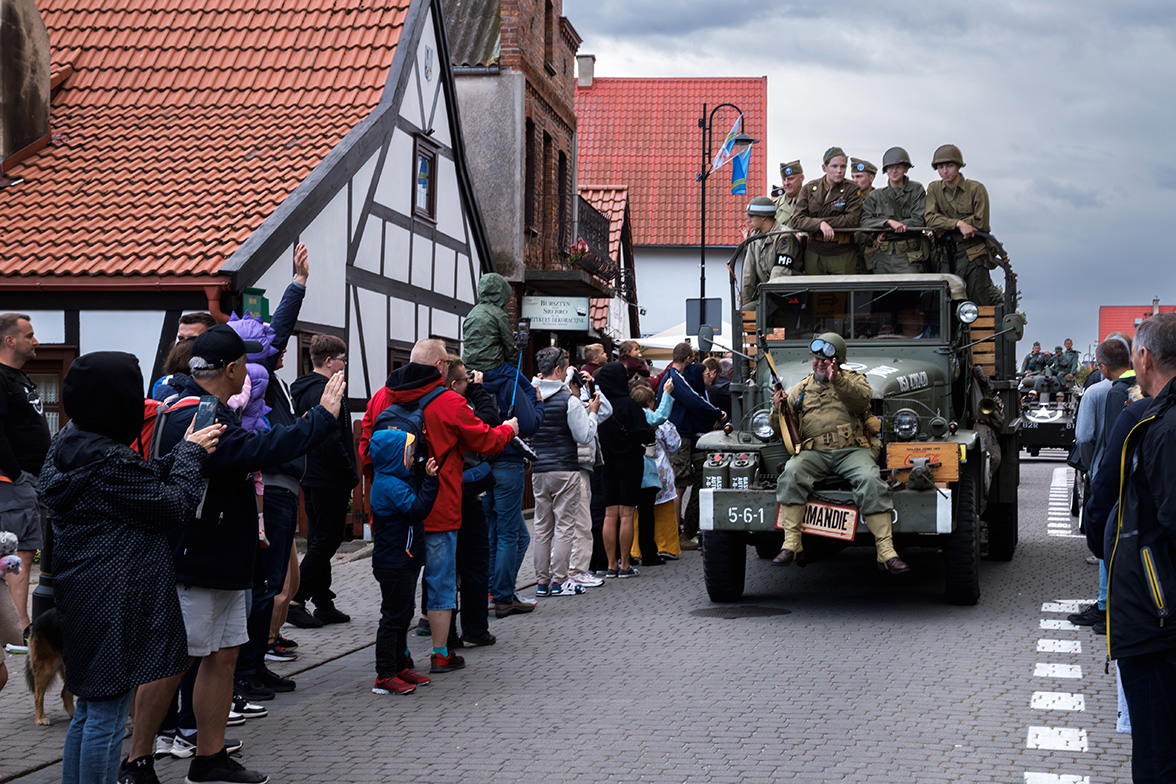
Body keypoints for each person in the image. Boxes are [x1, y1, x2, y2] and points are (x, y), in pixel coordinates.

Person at [122, 323, 344, 784]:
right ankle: (138, 761)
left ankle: (210, 756)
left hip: (219, 557)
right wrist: (322, 417)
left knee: (222, 657)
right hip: (195, 558)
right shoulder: (197, 414)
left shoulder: (205, 407)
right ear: (232, 368)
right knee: (174, 660)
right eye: (247, 362)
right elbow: (260, 449)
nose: (252, 368)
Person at [38, 352, 221, 784]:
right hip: (115, 596)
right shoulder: (110, 461)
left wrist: (180, 452)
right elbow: (173, 507)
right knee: (107, 715)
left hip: (81, 591)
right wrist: (191, 457)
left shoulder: (68, 442)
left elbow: (136, 483)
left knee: (89, 708)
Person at [358, 339, 517, 667]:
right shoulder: (449, 401)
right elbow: (485, 441)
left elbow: (365, 450)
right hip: (439, 506)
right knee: (440, 580)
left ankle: (400, 653)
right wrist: (508, 430)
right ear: (442, 366)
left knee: (401, 585)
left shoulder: (381, 397)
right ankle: (440, 653)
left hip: (394, 511)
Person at [1103, 312, 1176, 782]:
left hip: (1158, 623)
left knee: (1157, 759)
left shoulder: (1163, 427)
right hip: (1157, 616)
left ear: (1144, 357)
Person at [770, 332, 910, 574]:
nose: (819, 363)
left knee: (870, 480)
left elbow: (862, 401)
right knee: (791, 473)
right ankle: (791, 544)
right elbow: (780, 427)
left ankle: (886, 551)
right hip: (815, 453)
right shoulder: (801, 388)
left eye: (825, 360)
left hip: (851, 451)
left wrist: (838, 381)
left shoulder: (853, 380)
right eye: (816, 359)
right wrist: (777, 410)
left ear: (838, 361)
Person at [288, 334, 359, 630]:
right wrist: (349, 471)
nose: (345, 365)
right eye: (343, 360)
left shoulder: (305, 389)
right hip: (329, 475)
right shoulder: (325, 391)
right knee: (326, 541)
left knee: (318, 538)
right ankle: (295, 600)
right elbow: (331, 437)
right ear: (329, 361)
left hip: (312, 473)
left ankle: (323, 602)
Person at [1069, 335, 1135, 634]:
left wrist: (1089, 466)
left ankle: (1106, 603)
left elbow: (1084, 437)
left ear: (1102, 366)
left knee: (1106, 537)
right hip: (1133, 477)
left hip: (1103, 472)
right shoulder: (1143, 388)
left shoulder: (1097, 391)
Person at [368, 423, 439, 695]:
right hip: (394, 563)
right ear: (393, 457)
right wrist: (430, 480)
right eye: (407, 453)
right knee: (393, 618)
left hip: (402, 560)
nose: (411, 458)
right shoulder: (390, 485)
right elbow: (417, 509)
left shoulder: (394, 481)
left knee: (404, 614)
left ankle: (398, 667)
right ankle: (385, 674)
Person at [531, 348, 603, 597]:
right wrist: (593, 413)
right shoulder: (568, 400)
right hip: (565, 467)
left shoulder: (531, 395)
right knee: (564, 526)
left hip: (539, 469)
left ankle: (542, 582)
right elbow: (584, 435)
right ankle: (560, 581)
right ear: (559, 369)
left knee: (542, 528)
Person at [0, 313, 50, 637]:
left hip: (30, 478)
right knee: (17, 552)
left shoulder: (19, 378)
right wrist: (17, 474)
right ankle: (17, 628)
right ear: (10, 340)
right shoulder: (0, 379)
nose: (36, 342)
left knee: (25, 551)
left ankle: (20, 625)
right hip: (13, 481)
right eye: (29, 335)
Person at [655, 343, 722, 551]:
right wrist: (717, 413)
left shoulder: (670, 375)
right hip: (678, 435)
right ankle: (676, 534)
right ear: (689, 359)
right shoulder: (676, 378)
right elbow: (694, 401)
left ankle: (675, 532)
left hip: (675, 434)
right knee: (679, 484)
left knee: (678, 483)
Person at [595, 362, 654, 578]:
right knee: (627, 514)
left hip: (606, 464)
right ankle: (625, 564)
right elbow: (645, 434)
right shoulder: (629, 405)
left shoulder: (599, 404)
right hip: (630, 463)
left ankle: (611, 565)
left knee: (610, 514)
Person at [924, 144, 1002, 305]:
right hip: (945, 254)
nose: (944, 171)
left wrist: (944, 225)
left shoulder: (976, 189)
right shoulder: (934, 189)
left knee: (977, 301)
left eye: (949, 166)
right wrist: (958, 224)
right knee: (944, 304)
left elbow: (981, 223)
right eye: (940, 167)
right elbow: (930, 219)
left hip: (973, 253)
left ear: (958, 166)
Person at [790, 147, 864, 275]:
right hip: (815, 252)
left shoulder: (852, 189)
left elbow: (852, 220)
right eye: (834, 166)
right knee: (815, 287)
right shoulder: (809, 189)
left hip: (842, 252)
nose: (839, 171)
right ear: (824, 167)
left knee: (844, 287)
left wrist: (822, 222)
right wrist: (819, 224)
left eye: (843, 167)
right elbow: (796, 220)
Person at [565, 369, 609, 588]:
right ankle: (576, 571)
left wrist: (591, 388)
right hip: (577, 466)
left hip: (555, 467)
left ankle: (556, 574)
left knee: (558, 525)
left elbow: (605, 410)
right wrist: (592, 408)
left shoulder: (545, 399)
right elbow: (587, 432)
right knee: (581, 522)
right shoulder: (573, 404)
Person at [861, 147, 930, 274]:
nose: (894, 171)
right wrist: (888, 223)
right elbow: (864, 223)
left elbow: (919, 221)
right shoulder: (876, 196)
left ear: (906, 168)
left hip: (909, 255)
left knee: (910, 286)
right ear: (885, 170)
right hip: (882, 256)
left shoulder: (916, 190)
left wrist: (887, 231)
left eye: (898, 167)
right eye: (890, 167)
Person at [628, 381, 675, 566]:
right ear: (649, 402)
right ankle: (648, 553)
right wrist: (666, 393)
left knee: (628, 514)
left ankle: (628, 553)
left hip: (627, 470)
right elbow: (660, 417)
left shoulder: (625, 414)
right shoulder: (644, 415)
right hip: (646, 471)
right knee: (646, 515)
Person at [739, 196, 798, 307]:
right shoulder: (755, 237)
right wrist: (744, 305)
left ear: (763, 217)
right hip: (767, 296)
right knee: (744, 312)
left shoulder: (784, 237)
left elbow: (779, 274)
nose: (748, 220)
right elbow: (748, 275)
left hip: (787, 298)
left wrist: (764, 303)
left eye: (751, 216)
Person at [772, 160, 805, 228]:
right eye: (784, 179)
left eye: (790, 179)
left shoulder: (812, 201)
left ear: (801, 177)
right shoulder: (776, 205)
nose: (786, 183)